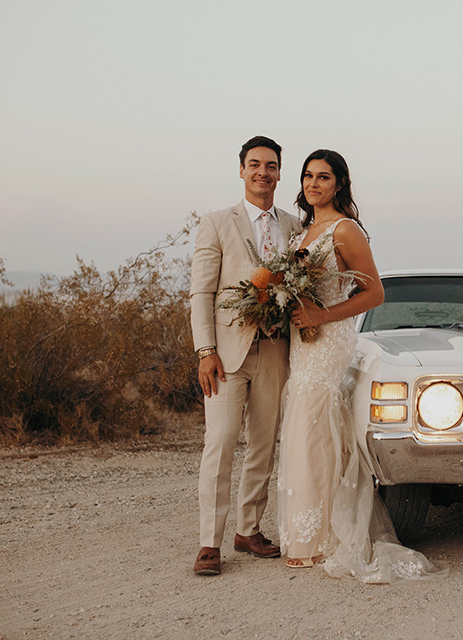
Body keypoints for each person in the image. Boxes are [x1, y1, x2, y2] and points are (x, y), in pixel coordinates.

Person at [277, 149, 445, 582]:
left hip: (329, 338)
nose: (314, 184)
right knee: (303, 427)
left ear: (339, 185)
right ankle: (304, 532)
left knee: (318, 429)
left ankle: (324, 538)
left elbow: (374, 294)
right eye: (308, 176)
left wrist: (320, 315)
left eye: (324, 177)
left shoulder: (344, 229)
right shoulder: (302, 231)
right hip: (302, 342)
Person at [189, 136, 302, 576]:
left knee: (263, 444)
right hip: (226, 355)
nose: (263, 172)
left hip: (275, 349)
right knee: (218, 445)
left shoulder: (295, 227)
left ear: (279, 173)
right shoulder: (217, 222)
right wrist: (205, 351)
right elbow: (201, 291)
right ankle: (208, 543)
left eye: (271, 166)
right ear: (241, 170)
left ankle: (249, 528)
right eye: (254, 165)